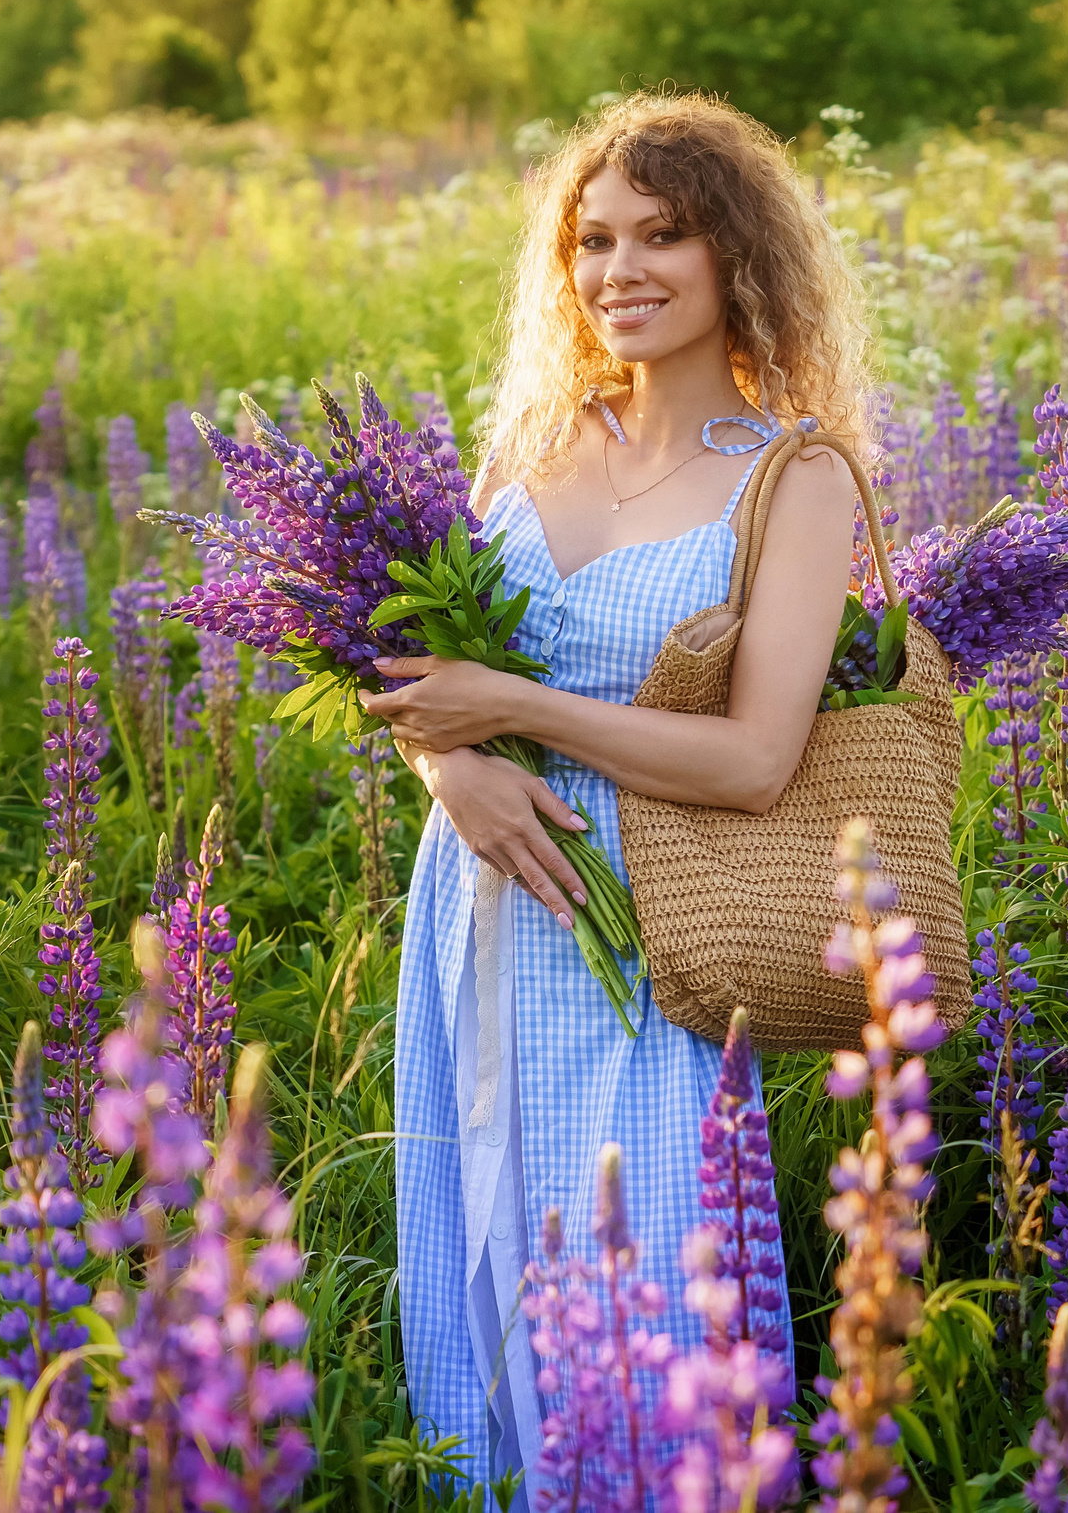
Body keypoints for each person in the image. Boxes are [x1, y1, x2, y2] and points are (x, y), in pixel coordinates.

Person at [360, 92, 871, 1482]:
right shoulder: (533, 448)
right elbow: (419, 680)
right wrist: (446, 764)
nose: (620, 271)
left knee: (640, 1290)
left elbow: (760, 760)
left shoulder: (795, 480)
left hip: (659, 938)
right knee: (486, 1276)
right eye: (593, 240)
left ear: (738, 259)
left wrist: (513, 713)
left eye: (666, 235)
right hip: (480, 919)